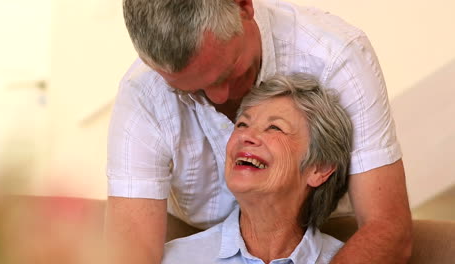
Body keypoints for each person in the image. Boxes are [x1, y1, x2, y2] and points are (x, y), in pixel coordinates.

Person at [105, 0, 412, 263]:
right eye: (192, 90)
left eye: (228, 72)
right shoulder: (143, 93)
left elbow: (388, 228)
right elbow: (130, 252)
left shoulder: (336, 55)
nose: (220, 98)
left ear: (243, 5)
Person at [162, 73, 352, 263]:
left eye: (275, 127)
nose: (246, 136)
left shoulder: (354, 258)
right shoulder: (176, 258)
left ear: (319, 168)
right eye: (242, 124)